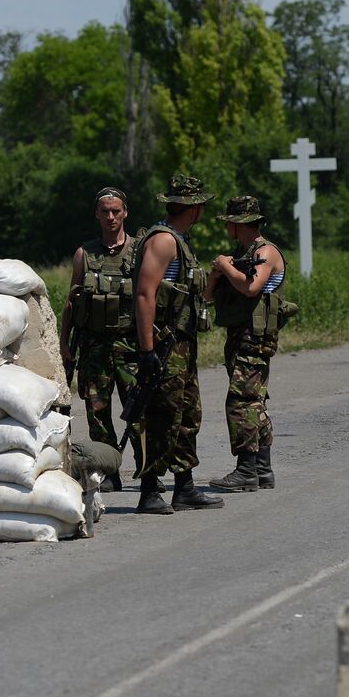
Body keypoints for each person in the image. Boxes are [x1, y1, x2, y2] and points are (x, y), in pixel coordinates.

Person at [131, 173, 222, 515]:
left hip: (181, 343)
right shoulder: (164, 241)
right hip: (163, 343)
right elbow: (144, 294)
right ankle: (150, 489)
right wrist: (146, 349)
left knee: (186, 414)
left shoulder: (180, 240)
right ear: (193, 207)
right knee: (160, 416)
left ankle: (184, 487)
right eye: (200, 205)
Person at [60, 186, 144, 492]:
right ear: (97, 214)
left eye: (116, 211)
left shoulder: (139, 251)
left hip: (129, 345)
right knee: (97, 411)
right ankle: (109, 472)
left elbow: (149, 299)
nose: (111, 217)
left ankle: (147, 471)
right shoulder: (85, 254)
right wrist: (64, 343)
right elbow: (72, 301)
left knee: (139, 410)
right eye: (105, 211)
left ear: (125, 213)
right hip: (94, 345)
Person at [206, 195, 286, 493]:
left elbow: (252, 287)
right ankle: (262, 470)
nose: (226, 227)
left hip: (255, 338)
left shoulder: (266, 252)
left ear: (239, 224)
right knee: (254, 402)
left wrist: (226, 268)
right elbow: (207, 297)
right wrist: (216, 273)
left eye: (229, 222)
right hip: (240, 336)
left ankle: (246, 470)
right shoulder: (240, 254)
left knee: (240, 402)